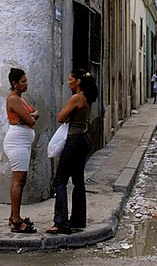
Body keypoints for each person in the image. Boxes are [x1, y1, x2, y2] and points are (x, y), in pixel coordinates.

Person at [47, 69, 97, 234]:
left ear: (78, 82)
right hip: (84, 139)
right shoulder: (88, 98)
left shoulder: (76, 98)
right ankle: (78, 219)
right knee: (78, 180)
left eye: (70, 79)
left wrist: (65, 114)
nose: (68, 82)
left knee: (60, 180)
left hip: (74, 140)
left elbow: (60, 117)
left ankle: (60, 222)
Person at [3, 68, 38, 233]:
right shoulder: (14, 99)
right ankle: (16, 219)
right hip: (17, 142)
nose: (26, 84)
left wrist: (31, 116)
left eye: (26, 80)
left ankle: (13, 217)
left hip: (22, 141)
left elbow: (35, 113)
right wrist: (31, 117)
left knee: (19, 180)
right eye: (23, 81)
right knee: (19, 181)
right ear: (14, 83)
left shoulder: (20, 99)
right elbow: (30, 119)